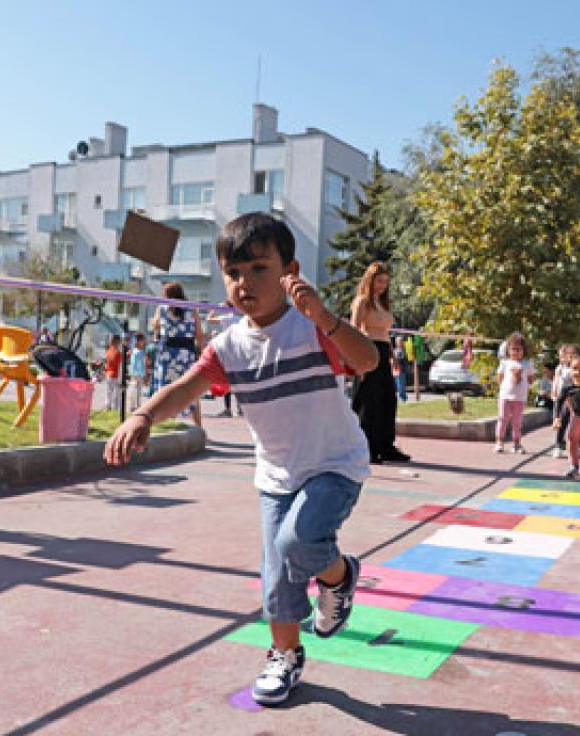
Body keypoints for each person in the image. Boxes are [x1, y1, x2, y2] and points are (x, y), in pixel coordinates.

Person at [105, 213, 379, 707]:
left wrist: (325, 317)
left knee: (298, 541)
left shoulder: (311, 328)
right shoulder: (228, 347)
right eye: (233, 272)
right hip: (276, 476)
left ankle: (339, 577)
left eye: (258, 269)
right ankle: (285, 654)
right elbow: (185, 387)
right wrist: (143, 415)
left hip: (334, 464)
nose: (244, 283)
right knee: (276, 575)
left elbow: (367, 361)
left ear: (289, 271)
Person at [350, 262, 410, 464]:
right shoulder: (362, 301)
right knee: (369, 402)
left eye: (385, 282)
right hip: (368, 351)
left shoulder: (382, 303)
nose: (382, 286)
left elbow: (385, 333)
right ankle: (367, 449)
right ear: (370, 279)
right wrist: (357, 362)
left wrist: (393, 357)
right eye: (379, 281)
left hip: (384, 352)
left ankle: (386, 446)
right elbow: (354, 330)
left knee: (388, 400)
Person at [151, 281, 205, 427]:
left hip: (167, 353)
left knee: (165, 388)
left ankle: (166, 421)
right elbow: (199, 334)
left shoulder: (162, 307)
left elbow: (155, 325)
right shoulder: (191, 308)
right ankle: (198, 425)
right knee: (191, 389)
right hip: (185, 353)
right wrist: (202, 352)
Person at [494, 331, 532, 454]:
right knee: (502, 419)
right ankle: (499, 442)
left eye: (518, 349)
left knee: (517, 422)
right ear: (508, 350)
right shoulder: (505, 363)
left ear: (523, 350)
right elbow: (500, 377)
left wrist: (523, 380)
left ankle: (517, 443)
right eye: (513, 349)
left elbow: (530, 378)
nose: (516, 352)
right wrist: (505, 388)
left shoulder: (527, 363)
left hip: (520, 398)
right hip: (505, 396)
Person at [550, 344, 579, 459]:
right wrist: (554, 391)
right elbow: (556, 380)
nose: (571, 358)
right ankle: (558, 445)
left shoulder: (577, 368)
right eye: (569, 355)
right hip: (563, 397)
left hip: (576, 399)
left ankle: (579, 446)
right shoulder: (561, 368)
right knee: (562, 421)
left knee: (578, 423)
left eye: (574, 356)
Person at [127, 333, 149, 412]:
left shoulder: (133, 351)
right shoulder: (139, 352)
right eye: (143, 341)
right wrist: (145, 375)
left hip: (134, 373)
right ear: (139, 341)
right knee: (138, 391)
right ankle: (137, 406)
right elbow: (141, 365)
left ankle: (132, 406)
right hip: (138, 374)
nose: (144, 342)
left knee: (133, 389)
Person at [104, 334, 123, 411]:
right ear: (117, 342)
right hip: (115, 375)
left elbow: (107, 363)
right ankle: (115, 408)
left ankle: (107, 406)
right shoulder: (118, 353)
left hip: (108, 374)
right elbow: (120, 366)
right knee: (116, 393)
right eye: (119, 342)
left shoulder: (108, 351)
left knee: (108, 392)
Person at [392, 336, 409, 402]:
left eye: (400, 341)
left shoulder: (404, 350)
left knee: (401, 384)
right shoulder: (395, 350)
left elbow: (401, 359)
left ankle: (403, 397)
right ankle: (400, 397)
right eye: (398, 341)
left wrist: (395, 360)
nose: (399, 343)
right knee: (396, 384)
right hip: (395, 369)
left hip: (401, 369)